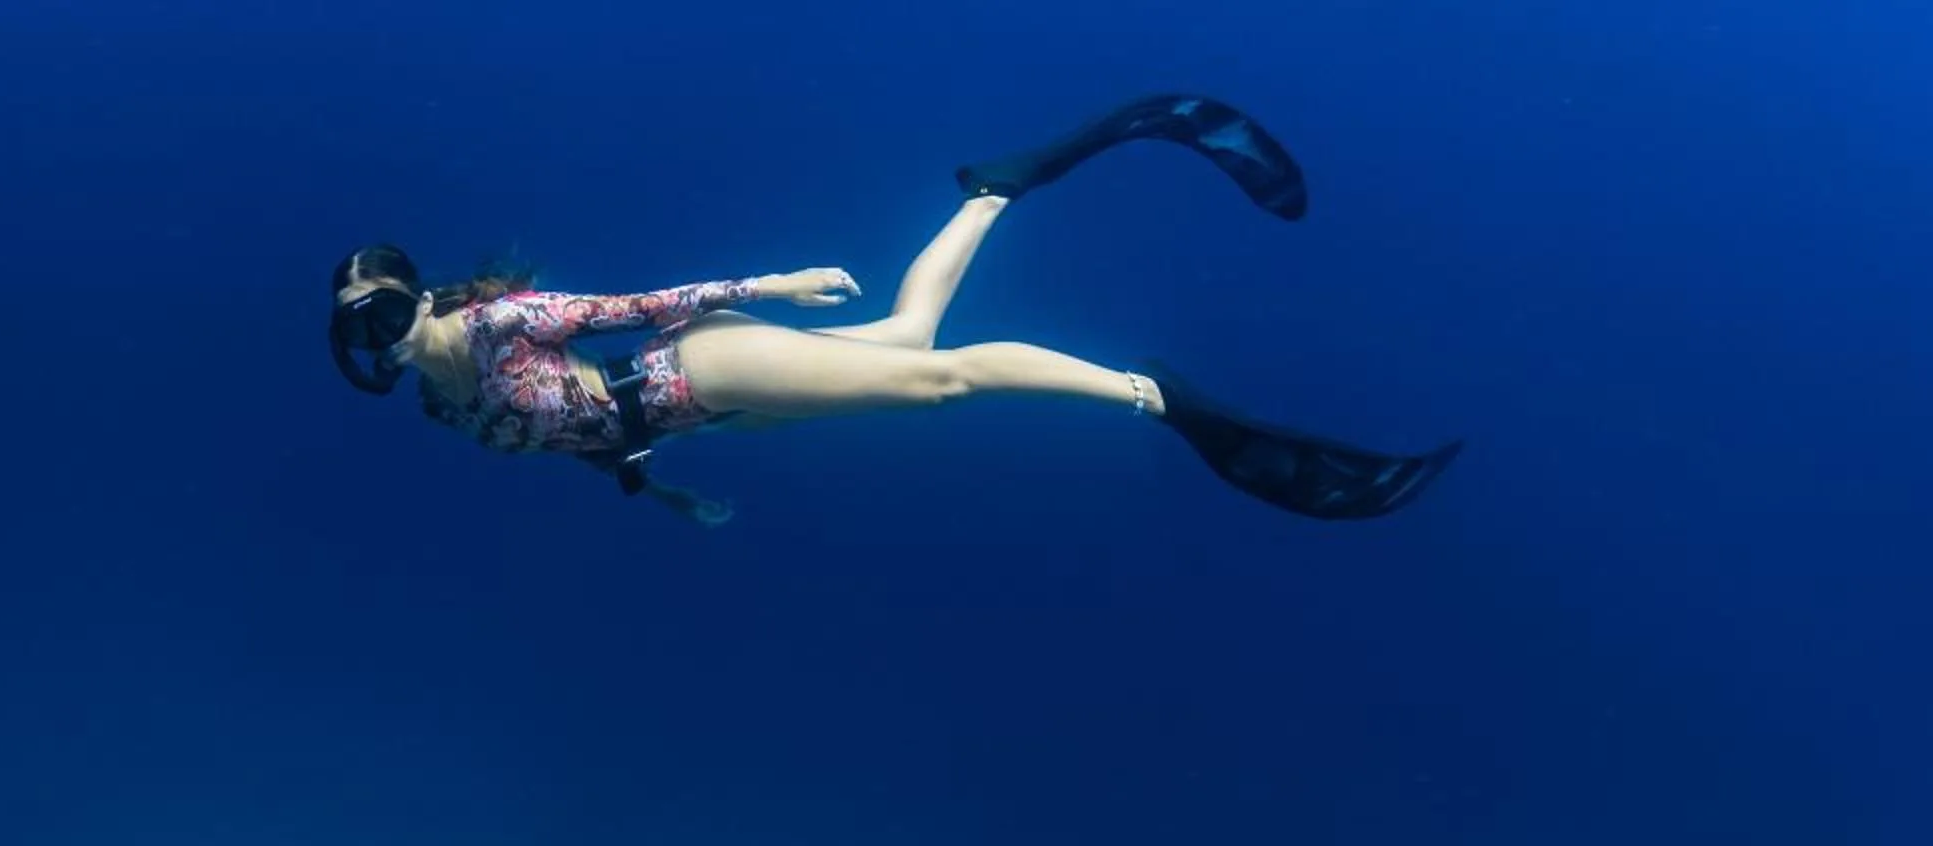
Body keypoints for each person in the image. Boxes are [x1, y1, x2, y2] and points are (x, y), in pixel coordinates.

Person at [326, 94, 1459, 524]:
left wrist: (773, 283)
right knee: (912, 339)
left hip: (697, 370)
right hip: (695, 415)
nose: (378, 336)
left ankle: (1154, 397)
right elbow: (567, 435)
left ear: (417, 295)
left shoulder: (487, 326)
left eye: (382, 311)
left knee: (937, 378)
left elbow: (638, 303)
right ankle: (997, 189)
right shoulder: (445, 411)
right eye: (359, 330)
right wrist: (653, 487)